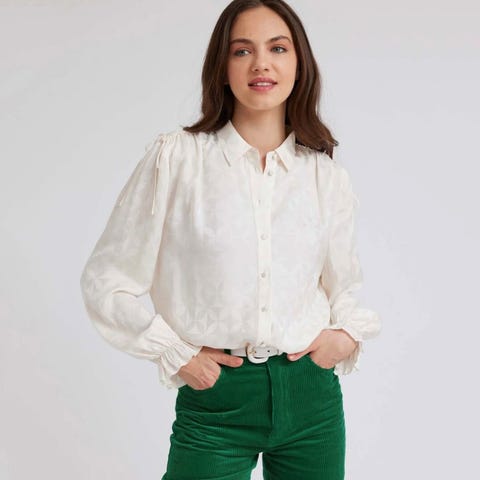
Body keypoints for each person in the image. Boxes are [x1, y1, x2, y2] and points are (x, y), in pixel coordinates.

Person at [80, 0, 382, 478]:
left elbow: (343, 284)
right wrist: (178, 355)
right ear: (222, 67)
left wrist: (345, 335)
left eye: (277, 48)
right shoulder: (178, 160)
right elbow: (106, 281)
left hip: (312, 401)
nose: (261, 63)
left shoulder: (324, 175)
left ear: (298, 64)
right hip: (217, 398)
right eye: (243, 51)